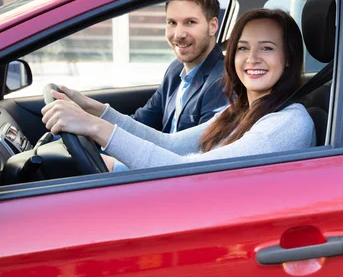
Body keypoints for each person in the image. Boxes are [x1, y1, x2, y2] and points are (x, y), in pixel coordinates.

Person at [41, 9, 316, 171]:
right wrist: (95, 111)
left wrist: (93, 127)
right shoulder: (241, 110)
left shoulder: (286, 125)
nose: (252, 58)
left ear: (289, 57)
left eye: (267, 48)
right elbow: (170, 145)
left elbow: (190, 172)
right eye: (243, 48)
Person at [133, 0, 228, 133]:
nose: (178, 34)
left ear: (213, 26)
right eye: (172, 22)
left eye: (190, 22)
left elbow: (201, 151)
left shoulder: (223, 81)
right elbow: (141, 123)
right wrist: (97, 116)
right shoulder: (175, 69)